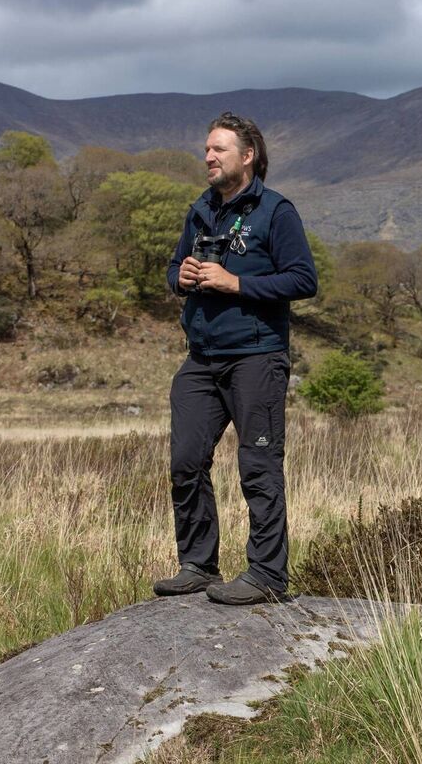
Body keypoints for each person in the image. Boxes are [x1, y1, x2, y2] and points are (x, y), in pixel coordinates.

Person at [153, 112, 318, 605]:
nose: (208, 157)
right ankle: (198, 565)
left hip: (256, 358)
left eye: (219, 149)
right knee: (185, 461)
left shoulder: (276, 211)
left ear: (247, 156)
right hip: (201, 359)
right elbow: (172, 267)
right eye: (206, 149)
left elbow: (303, 280)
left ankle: (267, 575)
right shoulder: (201, 210)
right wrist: (178, 277)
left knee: (258, 465)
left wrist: (237, 283)